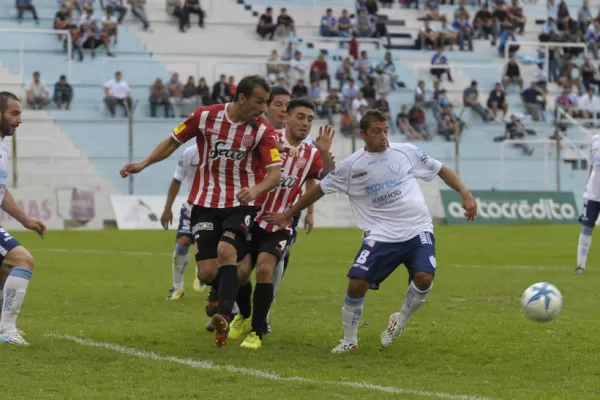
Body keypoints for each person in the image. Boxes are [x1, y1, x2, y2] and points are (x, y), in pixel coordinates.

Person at [265, 109, 477, 353]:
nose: (383, 136)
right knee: (356, 283)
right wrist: (288, 214)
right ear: (363, 134)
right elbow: (320, 189)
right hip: (381, 235)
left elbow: (440, 169)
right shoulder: (353, 166)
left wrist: (465, 193)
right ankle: (349, 341)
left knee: (424, 277)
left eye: (385, 130)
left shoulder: (406, 152)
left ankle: (400, 319)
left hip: (417, 228)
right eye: (377, 131)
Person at [120, 75, 282, 348]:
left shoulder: (263, 131)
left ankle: (224, 316)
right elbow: (173, 141)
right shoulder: (205, 117)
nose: (263, 109)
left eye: (266, 103)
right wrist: (144, 163)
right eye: (259, 102)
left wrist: (254, 191)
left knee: (226, 252)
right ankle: (236, 297)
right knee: (207, 273)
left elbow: (275, 174)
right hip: (204, 203)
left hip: (240, 203)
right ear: (241, 98)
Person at [231, 98, 335, 350]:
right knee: (240, 273)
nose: (305, 123)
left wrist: (323, 152)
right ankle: (243, 313)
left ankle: (257, 331)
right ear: (285, 117)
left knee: (266, 269)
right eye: (300, 117)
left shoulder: (310, 153)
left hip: (280, 223)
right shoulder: (267, 138)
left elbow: (327, 178)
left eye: (309, 119)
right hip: (250, 218)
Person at [0, 92, 47, 345]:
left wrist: (26, 220)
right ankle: (6, 330)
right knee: (22, 259)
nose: (19, 120)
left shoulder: (3, 150)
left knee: (5, 274)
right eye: (14, 113)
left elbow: (2, 191)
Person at [160, 145, 204, 299]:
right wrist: (167, 208)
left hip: (214, 208)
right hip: (192, 207)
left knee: (206, 245)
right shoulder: (190, 152)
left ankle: (204, 274)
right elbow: (176, 180)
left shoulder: (224, 150)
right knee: (183, 242)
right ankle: (177, 287)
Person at [575, 134, 600, 274]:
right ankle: (580, 266)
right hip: (593, 193)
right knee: (586, 227)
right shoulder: (596, 139)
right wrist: (588, 181)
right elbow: (592, 164)